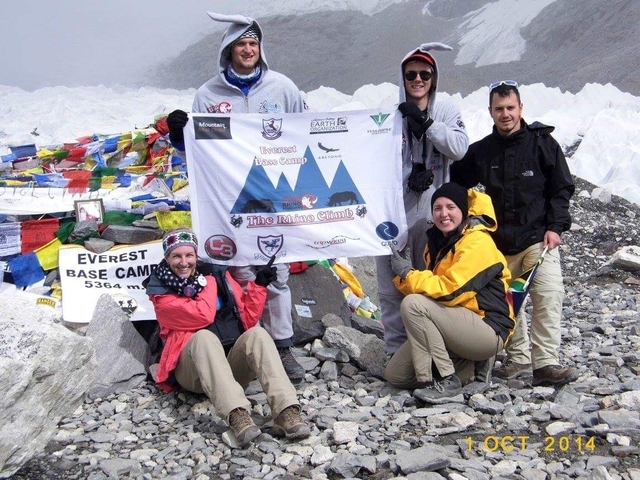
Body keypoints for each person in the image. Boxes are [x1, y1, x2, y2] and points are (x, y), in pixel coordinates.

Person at [165, 13, 307, 383]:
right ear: (228, 50)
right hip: (227, 198)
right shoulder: (208, 94)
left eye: (254, 43)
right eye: (241, 44)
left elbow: (305, 131)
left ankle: (282, 345)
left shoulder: (283, 88)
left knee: (275, 270)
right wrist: (180, 136)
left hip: (274, 192)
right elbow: (195, 150)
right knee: (239, 271)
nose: (248, 49)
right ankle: (247, 347)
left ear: (261, 49)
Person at [450, 80, 578, 386]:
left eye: (510, 108)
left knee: (548, 296)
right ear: (491, 112)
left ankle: (545, 363)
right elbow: (455, 182)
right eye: (499, 109)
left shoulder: (543, 144)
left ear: (520, 108)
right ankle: (519, 359)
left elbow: (561, 188)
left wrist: (556, 227)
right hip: (498, 246)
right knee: (507, 304)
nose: (505, 114)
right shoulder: (481, 151)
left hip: (539, 240)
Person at [144, 228, 310, 448]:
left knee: (258, 334)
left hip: (230, 367)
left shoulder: (218, 277)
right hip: (194, 373)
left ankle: (286, 410)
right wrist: (209, 282)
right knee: (203, 336)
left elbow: (247, 321)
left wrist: (258, 287)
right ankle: (237, 415)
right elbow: (204, 314)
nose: (184, 262)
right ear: (167, 258)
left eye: (189, 255)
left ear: (196, 256)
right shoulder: (161, 293)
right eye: (176, 256)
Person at [375, 43, 469, 355]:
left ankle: (432, 350)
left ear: (434, 78)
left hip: (432, 216)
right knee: (390, 286)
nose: (418, 79)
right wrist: (408, 176)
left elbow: (458, 148)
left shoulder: (446, 111)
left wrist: (428, 124)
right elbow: (373, 161)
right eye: (411, 74)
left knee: (429, 283)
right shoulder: (389, 116)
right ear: (402, 79)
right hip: (393, 214)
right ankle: (396, 352)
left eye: (424, 74)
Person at [384, 182, 514, 403]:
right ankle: (467, 368)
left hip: (487, 329)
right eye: (437, 208)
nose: (443, 213)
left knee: (414, 304)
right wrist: (403, 276)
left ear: (463, 211)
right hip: (456, 325)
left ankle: (447, 378)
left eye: (450, 207)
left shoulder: (477, 241)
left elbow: (450, 291)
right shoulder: (439, 242)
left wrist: (409, 274)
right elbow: (432, 288)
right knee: (396, 375)